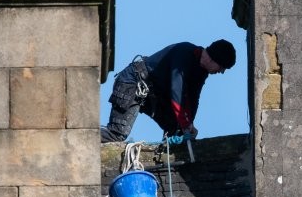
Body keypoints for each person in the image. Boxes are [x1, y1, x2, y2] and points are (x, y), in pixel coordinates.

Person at [100, 39, 237, 143]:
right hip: (134, 82)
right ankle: (83, 134)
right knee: (117, 134)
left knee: (177, 130)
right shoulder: (185, 52)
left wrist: (188, 126)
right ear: (213, 58)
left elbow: (193, 98)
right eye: (222, 67)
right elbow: (176, 89)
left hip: (152, 93)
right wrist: (186, 123)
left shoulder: (201, 71)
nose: (221, 72)